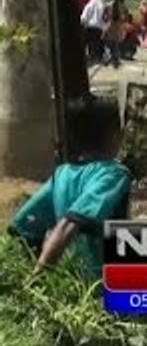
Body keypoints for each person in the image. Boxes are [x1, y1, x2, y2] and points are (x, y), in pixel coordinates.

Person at [7, 97, 131, 277]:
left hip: (70, 281)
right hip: (102, 284)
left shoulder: (62, 174)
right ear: (115, 135)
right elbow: (70, 223)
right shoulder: (113, 174)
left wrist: (25, 270)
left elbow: (23, 227)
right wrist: (38, 276)